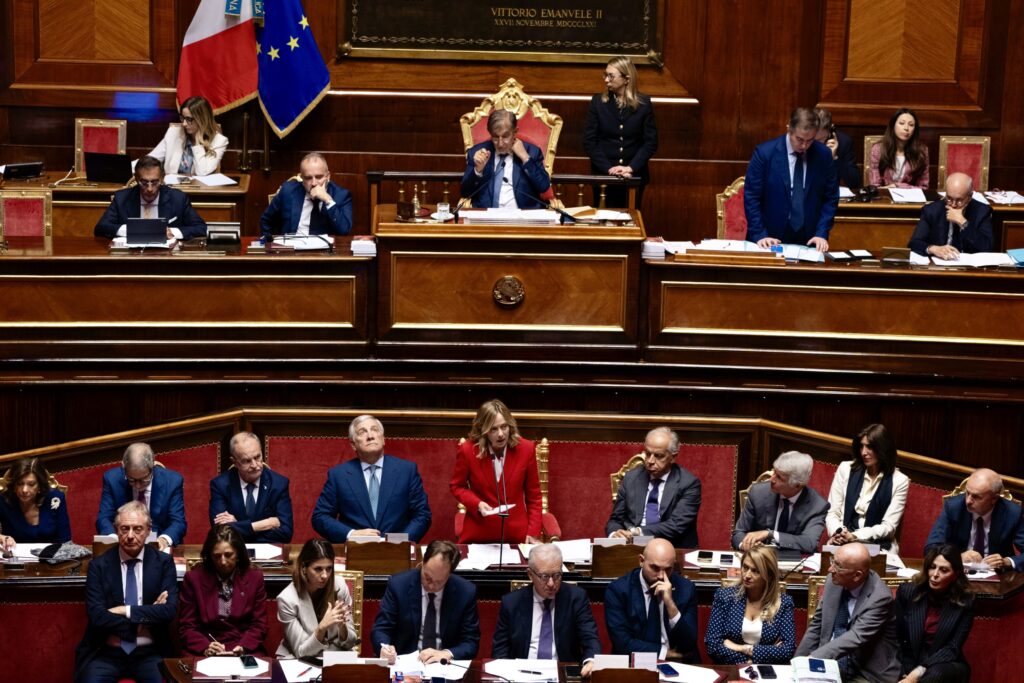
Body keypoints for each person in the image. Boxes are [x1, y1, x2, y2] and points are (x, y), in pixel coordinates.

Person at [74, 501, 178, 683]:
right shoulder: (98, 566)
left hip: (150, 652)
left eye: (137, 529)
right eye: (124, 529)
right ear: (116, 530)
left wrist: (126, 610)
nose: (130, 536)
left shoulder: (163, 563)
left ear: (148, 531)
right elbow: (97, 616)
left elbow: (168, 611)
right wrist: (142, 620)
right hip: (106, 652)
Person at [312, 415, 432, 542]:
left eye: (374, 430)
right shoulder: (338, 475)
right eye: (362, 432)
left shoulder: (407, 471)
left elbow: (422, 515)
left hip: (398, 554)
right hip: (355, 552)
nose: (370, 436)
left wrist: (399, 541)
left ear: (383, 439)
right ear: (353, 444)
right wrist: (350, 534)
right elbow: (320, 517)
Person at [796, 542, 900, 682]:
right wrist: (797, 662)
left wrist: (814, 657)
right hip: (830, 662)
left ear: (857, 575)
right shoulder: (833, 581)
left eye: (838, 566)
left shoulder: (880, 597)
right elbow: (817, 626)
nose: (830, 569)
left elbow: (856, 636)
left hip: (865, 671)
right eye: (833, 561)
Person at [492, 544, 601, 676]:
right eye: (544, 576)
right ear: (530, 575)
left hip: (562, 673)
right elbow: (500, 649)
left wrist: (591, 661)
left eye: (556, 575)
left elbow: (590, 637)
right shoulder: (511, 602)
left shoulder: (576, 598)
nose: (551, 583)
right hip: (522, 674)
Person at [744, 107, 839, 252]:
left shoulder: (823, 155)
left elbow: (831, 197)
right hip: (769, 237)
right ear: (789, 129)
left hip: (809, 238)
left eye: (810, 140)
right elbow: (751, 197)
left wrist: (821, 233)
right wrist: (760, 234)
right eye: (799, 139)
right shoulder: (765, 153)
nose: (804, 146)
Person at [372, 540, 480, 664]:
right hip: (405, 665)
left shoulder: (465, 592)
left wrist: (446, 654)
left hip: (444, 666)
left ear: (450, 574)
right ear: (422, 563)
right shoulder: (398, 585)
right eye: (427, 577)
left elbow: (471, 642)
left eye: (439, 581)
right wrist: (384, 648)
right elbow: (381, 629)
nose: (431, 585)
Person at [449, 399, 543, 544]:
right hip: (478, 533)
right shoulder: (468, 451)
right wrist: (477, 503)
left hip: (517, 535)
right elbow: (457, 486)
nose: (501, 434)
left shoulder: (526, 449)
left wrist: (533, 532)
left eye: (504, 427)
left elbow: (534, 497)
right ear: (483, 430)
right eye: (494, 429)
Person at [178, 525, 268, 656]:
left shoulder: (254, 578)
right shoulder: (194, 579)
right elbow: (187, 627)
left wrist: (243, 646)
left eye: (228, 555)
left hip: (243, 647)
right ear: (209, 556)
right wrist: (205, 646)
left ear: (238, 554)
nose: (223, 561)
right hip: (205, 647)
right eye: (217, 556)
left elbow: (260, 624)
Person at [604, 538, 699, 662]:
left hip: (680, 663)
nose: (661, 576)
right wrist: (665, 653)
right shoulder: (618, 590)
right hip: (636, 662)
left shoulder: (686, 589)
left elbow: (689, 643)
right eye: (655, 568)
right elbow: (623, 644)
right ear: (641, 561)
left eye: (667, 569)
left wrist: (670, 604)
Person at [605, 426, 702, 547]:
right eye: (648, 453)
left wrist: (638, 532)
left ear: (673, 457)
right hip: (632, 549)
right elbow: (615, 519)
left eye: (658, 456)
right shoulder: (631, 478)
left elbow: (676, 525)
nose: (650, 461)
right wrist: (615, 533)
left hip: (672, 549)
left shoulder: (689, 483)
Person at [582, 55, 658, 208]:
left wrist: (630, 168)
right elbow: (589, 141)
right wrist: (609, 169)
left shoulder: (643, 103)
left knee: (631, 222)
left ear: (626, 79)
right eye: (605, 75)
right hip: (604, 175)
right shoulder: (598, 102)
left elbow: (650, 142)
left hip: (633, 176)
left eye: (611, 76)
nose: (606, 80)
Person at [826, 424, 910, 555]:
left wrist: (855, 536)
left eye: (870, 447)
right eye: (861, 446)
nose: (864, 452)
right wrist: (838, 532)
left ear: (883, 448)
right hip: (842, 539)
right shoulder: (845, 469)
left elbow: (889, 527)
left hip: (877, 545)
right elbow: (832, 512)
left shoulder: (900, 481)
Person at [704, 546, 796, 665]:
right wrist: (748, 661)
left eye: (755, 571)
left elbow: (787, 650)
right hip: (730, 668)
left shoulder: (784, 603)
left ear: (769, 575)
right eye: (745, 567)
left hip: (767, 672)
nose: (747, 575)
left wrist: (741, 648)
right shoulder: (725, 597)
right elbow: (713, 645)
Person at [895, 544, 974, 683]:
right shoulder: (908, 592)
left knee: (933, 675)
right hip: (908, 658)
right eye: (932, 567)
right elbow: (897, 637)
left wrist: (918, 671)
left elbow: (952, 648)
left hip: (945, 662)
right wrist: (906, 671)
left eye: (944, 570)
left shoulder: (965, 602)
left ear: (955, 575)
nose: (935, 575)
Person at [925, 467, 1024, 571]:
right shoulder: (954, 507)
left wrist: (1007, 561)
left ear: (994, 498)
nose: (968, 501)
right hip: (958, 573)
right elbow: (931, 547)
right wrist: (958, 556)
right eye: (967, 493)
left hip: (998, 576)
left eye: (976, 497)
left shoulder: (1012, 513)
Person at [732, 450, 829, 554]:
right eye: (774, 472)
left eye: (779, 477)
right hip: (758, 561)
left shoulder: (818, 506)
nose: (772, 479)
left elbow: (809, 543)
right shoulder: (758, 492)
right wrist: (746, 545)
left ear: (797, 485)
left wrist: (771, 534)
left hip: (792, 563)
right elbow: (739, 533)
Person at [93, 155, 207, 241]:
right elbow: (101, 228)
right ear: (136, 179)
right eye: (144, 182)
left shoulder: (178, 198)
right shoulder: (121, 198)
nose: (150, 189)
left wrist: (171, 231)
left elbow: (201, 228)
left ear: (162, 178)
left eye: (155, 182)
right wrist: (131, 230)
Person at [96, 442, 186, 550]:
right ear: (124, 466)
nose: (138, 486)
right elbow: (104, 518)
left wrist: (163, 540)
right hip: (124, 544)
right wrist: (114, 539)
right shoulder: (112, 479)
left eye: (144, 480)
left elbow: (178, 522)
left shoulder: (172, 481)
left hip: (159, 548)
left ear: (153, 466)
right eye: (132, 480)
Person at [276, 539, 356, 658]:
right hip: (300, 659)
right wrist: (322, 628)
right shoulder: (287, 599)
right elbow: (301, 651)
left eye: (329, 569)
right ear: (304, 567)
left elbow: (350, 642)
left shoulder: (340, 586)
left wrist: (342, 628)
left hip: (335, 655)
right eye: (318, 569)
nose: (325, 575)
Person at [209, 431, 293, 543]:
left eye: (257, 457)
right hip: (234, 552)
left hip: (268, 554)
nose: (255, 465)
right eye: (246, 461)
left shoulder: (279, 484)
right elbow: (220, 531)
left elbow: (286, 533)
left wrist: (236, 526)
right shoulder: (220, 485)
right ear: (235, 462)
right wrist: (266, 524)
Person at [460, 109, 552, 209]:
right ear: (490, 133)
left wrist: (525, 158)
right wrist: (478, 171)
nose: (500, 143)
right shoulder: (478, 153)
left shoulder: (532, 152)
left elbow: (544, 187)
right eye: (495, 137)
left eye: (505, 136)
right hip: (486, 218)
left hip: (523, 219)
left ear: (515, 132)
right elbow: (465, 193)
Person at [260, 152, 353, 240]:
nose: (314, 183)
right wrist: (270, 246)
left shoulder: (342, 195)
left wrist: (328, 200)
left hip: (326, 253)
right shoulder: (288, 191)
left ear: (328, 176)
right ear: (301, 177)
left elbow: (344, 231)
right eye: (308, 178)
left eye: (319, 177)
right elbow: (266, 221)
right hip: (292, 250)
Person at [908, 172, 993, 259]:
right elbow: (914, 243)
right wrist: (933, 249)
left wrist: (963, 223)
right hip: (939, 266)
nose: (953, 204)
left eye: (959, 200)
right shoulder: (931, 211)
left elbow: (987, 247)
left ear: (970, 197)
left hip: (969, 268)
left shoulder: (982, 211)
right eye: (949, 198)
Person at [148, 95, 228, 177]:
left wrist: (198, 143)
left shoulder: (219, 141)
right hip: (172, 186)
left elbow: (202, 172)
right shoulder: (173, 132)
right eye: (183, 118)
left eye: (189, 119)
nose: (184, 124)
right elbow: (151, 160)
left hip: (199, 188)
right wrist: (134, 170)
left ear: (202, 119)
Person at [0, 457, 71, 548]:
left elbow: (65, 542)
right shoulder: (4, 500)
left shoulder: (55, 499)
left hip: (51, 558)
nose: (24, 490)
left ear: (40, 486)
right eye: (20, 483)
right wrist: (2, 537)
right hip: (15, 559)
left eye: (31, 484)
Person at [869, 107, 930, 189]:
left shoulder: (921, 151)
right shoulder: (878, 149)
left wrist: (897, 186)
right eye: (901, 123)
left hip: (911, 198)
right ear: (893, 125)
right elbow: (875, 185)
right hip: (885, 197)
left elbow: (924, 187)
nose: (906, 128)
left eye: (911, 125)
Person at [814, 107, 860, 190]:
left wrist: (835, 158)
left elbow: (854, 182)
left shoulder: (844, 142)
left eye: (820, 139)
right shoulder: (803, 141)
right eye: (813, 139)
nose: (817, 144)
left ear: (831, 129)